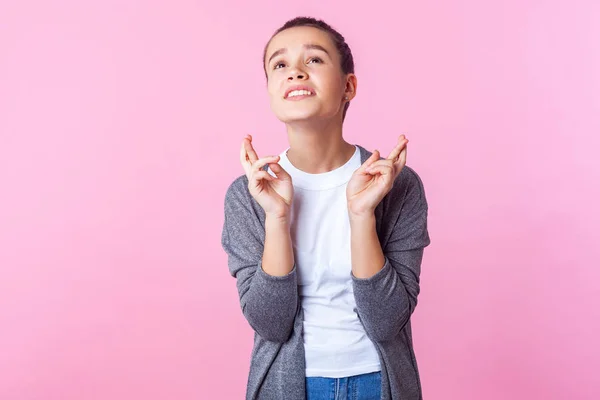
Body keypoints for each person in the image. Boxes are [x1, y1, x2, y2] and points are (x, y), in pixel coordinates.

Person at [221, 16, 431, 400]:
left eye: (314, 60)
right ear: (269, 88)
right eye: (280, 65)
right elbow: (270, 323)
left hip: (378, 384)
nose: (295, 73)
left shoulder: (397, 184)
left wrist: (361, 215)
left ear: (348, 86)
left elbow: (387, 322)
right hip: (287, 387)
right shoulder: (247, 194)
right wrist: (277, 217)